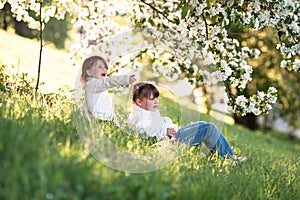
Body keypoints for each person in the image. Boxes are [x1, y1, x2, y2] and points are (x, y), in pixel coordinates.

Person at [128, 82, 247, 164]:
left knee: (203, 124)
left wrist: (167, 126)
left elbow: (157, 124)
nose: (156, 101)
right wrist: (164, 131)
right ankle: (228, 158)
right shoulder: (139, 116)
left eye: (156, 98)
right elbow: (142, 130)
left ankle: (227, 155)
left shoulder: (146, 111)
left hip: (170, 138)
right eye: (152, 99)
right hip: (169, 144)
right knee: (208, 129)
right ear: (139, 101)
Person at [81, 55, 136, 120]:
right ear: (89, 72)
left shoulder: (94, 84)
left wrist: (123, 84)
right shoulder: (93, 84)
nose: (104, 69)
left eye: (105, 67)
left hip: (102, 118)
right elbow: (109, 82)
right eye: (100, 67)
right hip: (99, 118)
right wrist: (125, 79)